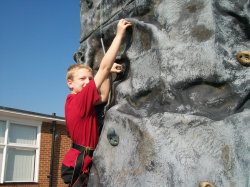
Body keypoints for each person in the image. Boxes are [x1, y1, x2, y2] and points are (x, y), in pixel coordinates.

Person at [61, 19, 132, 187]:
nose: (87, 82)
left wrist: (107, 74)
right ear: (70, 83)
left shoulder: (77, 100)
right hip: (79, 164)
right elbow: (104, 67)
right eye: (82, 79)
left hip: (85, 159)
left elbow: (104, 96)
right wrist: (119, 34)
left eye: (90, 79)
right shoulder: (79, 100)